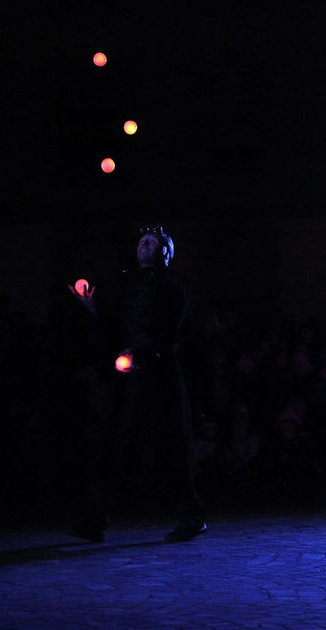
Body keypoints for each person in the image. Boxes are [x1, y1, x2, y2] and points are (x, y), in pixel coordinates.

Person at [69, 225, 206, 543]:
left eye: (152, 243)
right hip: (128, 378)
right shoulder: (125, 286)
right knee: (115, 444)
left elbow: (168, 333)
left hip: (158, 376)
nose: (144, 245)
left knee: (171, 445)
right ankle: (95, 519)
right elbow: (114, 329)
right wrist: (93, 310)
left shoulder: (172, 290)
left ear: (164, 253)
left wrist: (140, 351)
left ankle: (191, 516)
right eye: (141, 241)